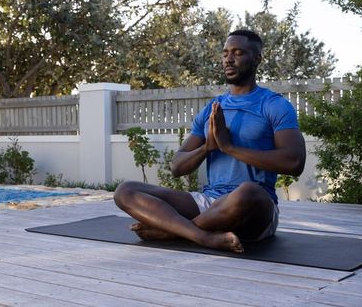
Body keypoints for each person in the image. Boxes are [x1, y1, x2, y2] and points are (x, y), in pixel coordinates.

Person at [114, 29, 306, 253]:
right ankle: (202, 236)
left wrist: (230, 147)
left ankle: (173, 231)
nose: (229, 59)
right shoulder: (211, 108)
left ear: (256, 59)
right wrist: (207, 147)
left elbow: (294, 162)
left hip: (253, 208)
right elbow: (177, 167)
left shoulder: (273, 105)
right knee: (125, 191)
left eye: (237, 53)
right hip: (209, 201)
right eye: (225, 54)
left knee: (248, 191)